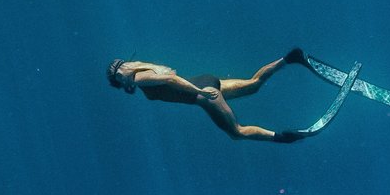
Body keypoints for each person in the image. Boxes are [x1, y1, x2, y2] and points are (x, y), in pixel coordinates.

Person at [107, 49, 310, 142]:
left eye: (119, 81)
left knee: (237, 133)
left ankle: (283, 137)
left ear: (120, 76)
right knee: (253, 84)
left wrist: (198, 92)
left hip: (203, 93)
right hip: (205, 79)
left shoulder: (138, 79)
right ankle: (289, 58)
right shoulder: (143, 66)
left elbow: (170, 80)